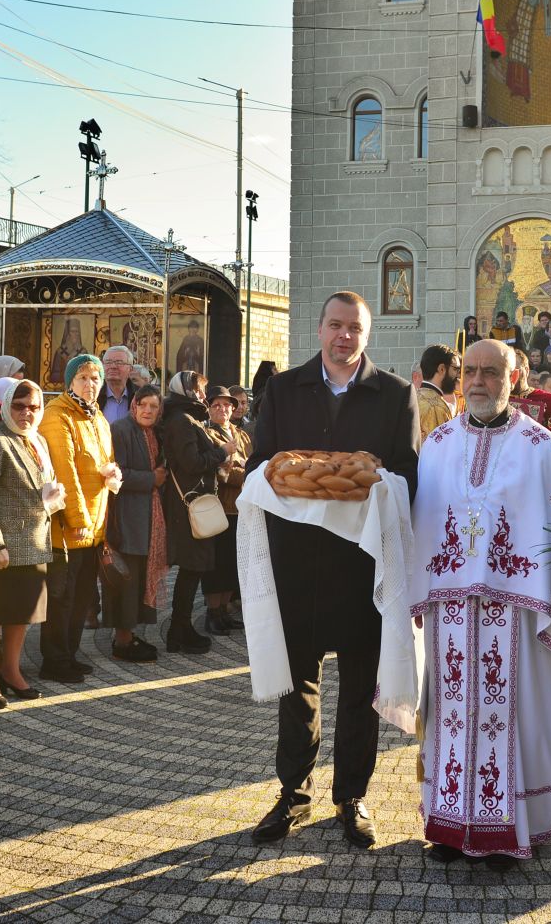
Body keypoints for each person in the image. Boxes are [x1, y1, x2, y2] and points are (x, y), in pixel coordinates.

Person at [413, 339, 551, 873]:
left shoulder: (540, 445)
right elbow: (426, 525)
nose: (478, 381)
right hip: (451, 613)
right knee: (451, 716)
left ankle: (509, 830)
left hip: (519, 613)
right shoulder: (438, 444)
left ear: (513, 377)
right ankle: (450, 825)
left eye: (491, 372)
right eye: (470, 371)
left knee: (512, 716)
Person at [245, 291, 420, 849]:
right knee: (298, 692)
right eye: (336, 325)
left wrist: (368, 484)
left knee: (360, 693)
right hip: (297, 563)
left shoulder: (394, 395)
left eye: (355, 328)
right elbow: (260, 466)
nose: (345, 336)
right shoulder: (284, 388)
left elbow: (408, 477)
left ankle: (352, 797)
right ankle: (292, 794)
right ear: (319, 329)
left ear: (368, 336)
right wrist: (301, 484)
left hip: (361, 570)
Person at [36, 354, 123, 684]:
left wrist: (112, 473)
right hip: (70, 526)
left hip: (94, 525)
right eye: (83, 378)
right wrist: (77, 518)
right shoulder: (58, 415)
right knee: (62, 596)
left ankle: (69, 654)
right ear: (70, 381)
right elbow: (65, 472)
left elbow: (105, 460)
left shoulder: (97, 416)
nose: (91, 384)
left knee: (83, 597)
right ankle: (53, 659)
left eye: (96, 378)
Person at [0, 378, 57, 706]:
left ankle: (11, 671)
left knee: (21, 613)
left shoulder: (37, 441)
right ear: (7, 406)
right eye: (19, 406)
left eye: (34, 407)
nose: (27, 413)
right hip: (2, 547)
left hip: (34, 541)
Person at [157, 372, 229, 654]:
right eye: (198, 391)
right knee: (190, 569)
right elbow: (191, 463)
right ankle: (179, 630)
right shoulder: (181, 421)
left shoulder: (186, 418)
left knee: (193, 569)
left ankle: (181, 628)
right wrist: (221, 453)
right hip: (187, 507)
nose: (202, 396)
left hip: (191, 503)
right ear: (185, 391)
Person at [102, 387, 168, 665]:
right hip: (127, 518)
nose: (148, 411)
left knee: (139, 578)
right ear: (134, 406)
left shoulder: (155, 432)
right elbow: (117, 474)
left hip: (149, 518)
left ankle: (129, 635)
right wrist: (151, 479)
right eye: (144, 405)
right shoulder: (121, 429)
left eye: (154, 406)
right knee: (126, 579)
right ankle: (122, 641)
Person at [202, 383, 250, 636]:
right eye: (216, 405)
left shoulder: (240, 434)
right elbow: (222, 473)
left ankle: (223, 612)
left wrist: (242, 469)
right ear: (208, 408)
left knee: (233, 563)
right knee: (216, 564)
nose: (222, 409)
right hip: (218, 507)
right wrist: (246, 472)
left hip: (240, 508)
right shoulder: (206, 433)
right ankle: (212, 613)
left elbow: (250, 462)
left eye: (227, 405)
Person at [509, 349, 551, 477]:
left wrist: (544, 427)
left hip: (538, 470)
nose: (512, 374)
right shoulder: (499, 400)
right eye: (508, 370)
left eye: (516, 370)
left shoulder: (548, 399)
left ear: (527, 370)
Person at [416, 343, 460, 438]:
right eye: (456, 369)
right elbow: (439, 449)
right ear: (442, 369)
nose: (458, 376)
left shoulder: (414, 396)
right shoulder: (435, 407)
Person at [100, 346, 138, 424]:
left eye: (119, 362)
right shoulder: (93, 395)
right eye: (108, 362)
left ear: (130, 369)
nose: (113, 366)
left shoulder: (139, 395)